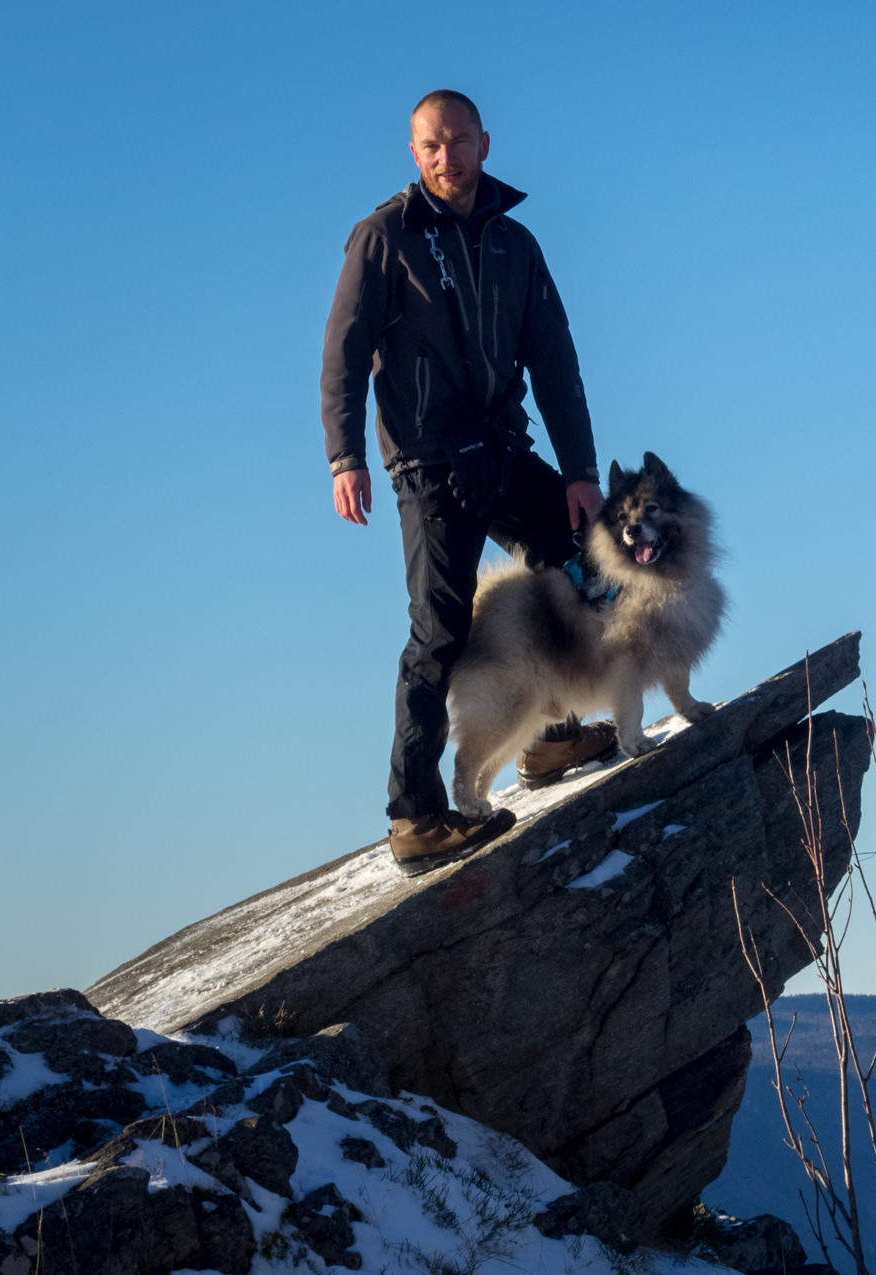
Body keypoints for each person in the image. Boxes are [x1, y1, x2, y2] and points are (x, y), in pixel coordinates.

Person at [321, 89, 620, 871]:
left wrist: (581, 472)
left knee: (583, 556)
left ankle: (551, 743)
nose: (445, 157)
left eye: (457, 141)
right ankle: (416, 816)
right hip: (429, 464)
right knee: (440, 631)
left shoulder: (516, 246)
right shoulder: (385, 238)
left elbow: (556, 362)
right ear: (414, 156)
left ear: (485, 143)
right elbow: (345, 350)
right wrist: (344, 455)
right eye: (430, 147)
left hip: (502, 447)